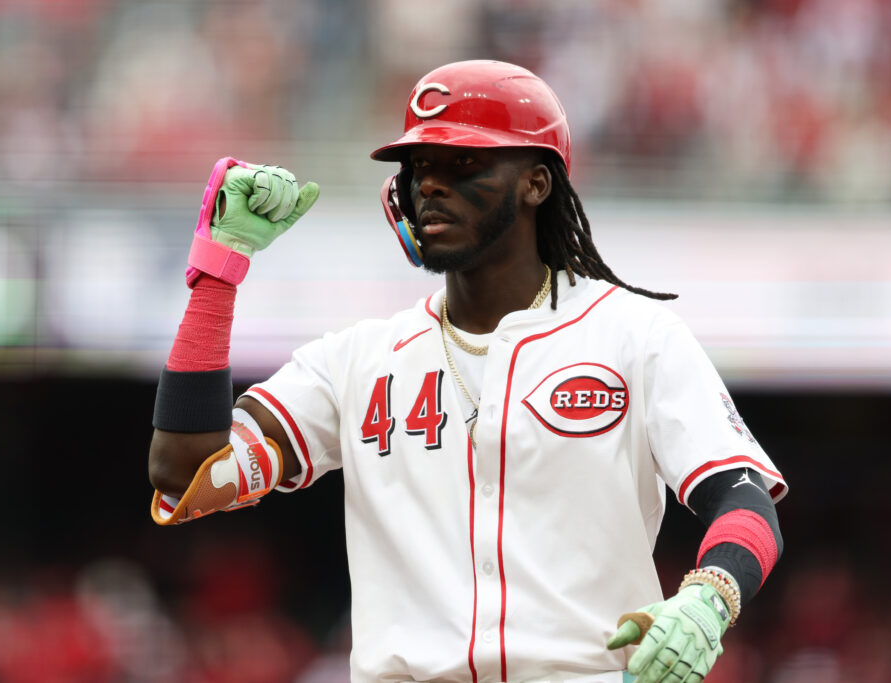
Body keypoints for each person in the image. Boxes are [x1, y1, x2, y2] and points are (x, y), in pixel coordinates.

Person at [148, 60, 787, 683]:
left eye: (464, 163)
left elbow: (744, 502)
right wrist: (218, 274)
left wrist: (709, 601)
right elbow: (184, 475)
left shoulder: (633, 336)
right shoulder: (356, 359)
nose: (429, 185)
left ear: (536, 183)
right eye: (419, 167)